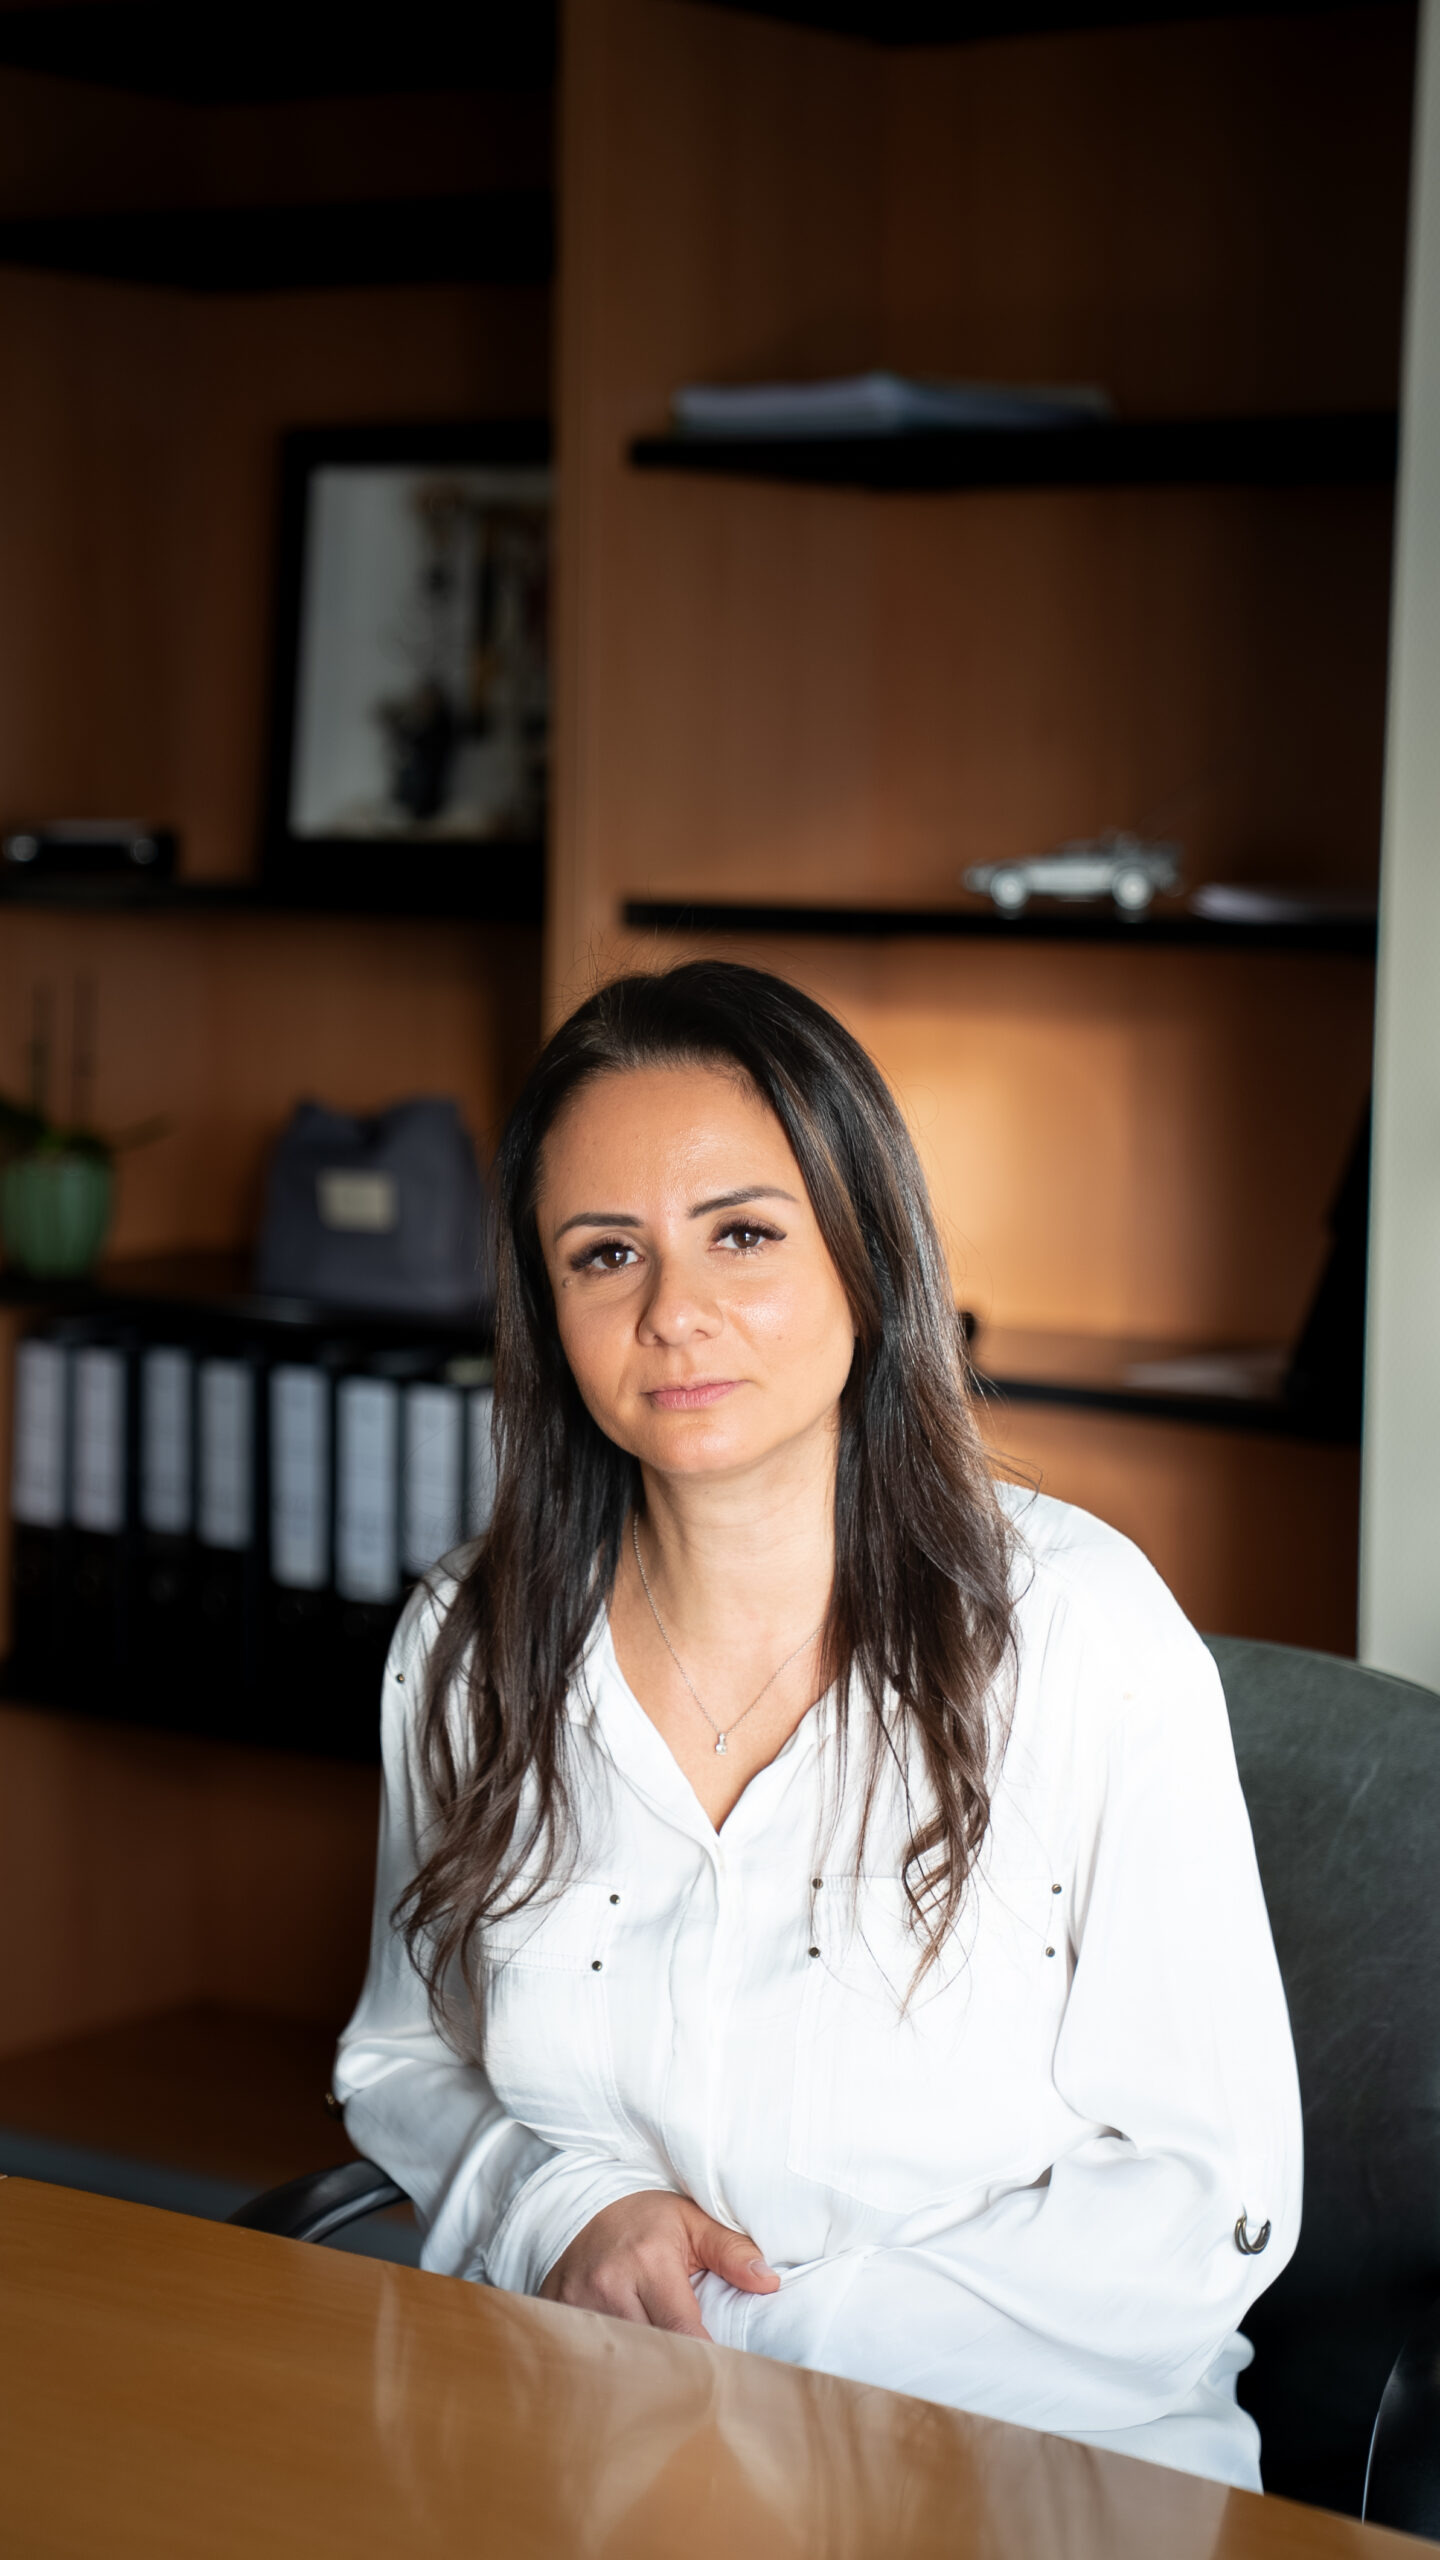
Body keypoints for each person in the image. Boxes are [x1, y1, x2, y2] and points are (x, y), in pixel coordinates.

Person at [335, 959, 1301, 2488]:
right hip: (601, 2456)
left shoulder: (1079, 1635)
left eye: (742, 1234)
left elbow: (1208, 2198)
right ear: (547, 1305)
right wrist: (564, 2210)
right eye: (606, 1255)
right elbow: (406, 2060)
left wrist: (750, 2355)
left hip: (1037, 2478)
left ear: (866, 1249)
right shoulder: (472, 1648)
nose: (675, 1314)